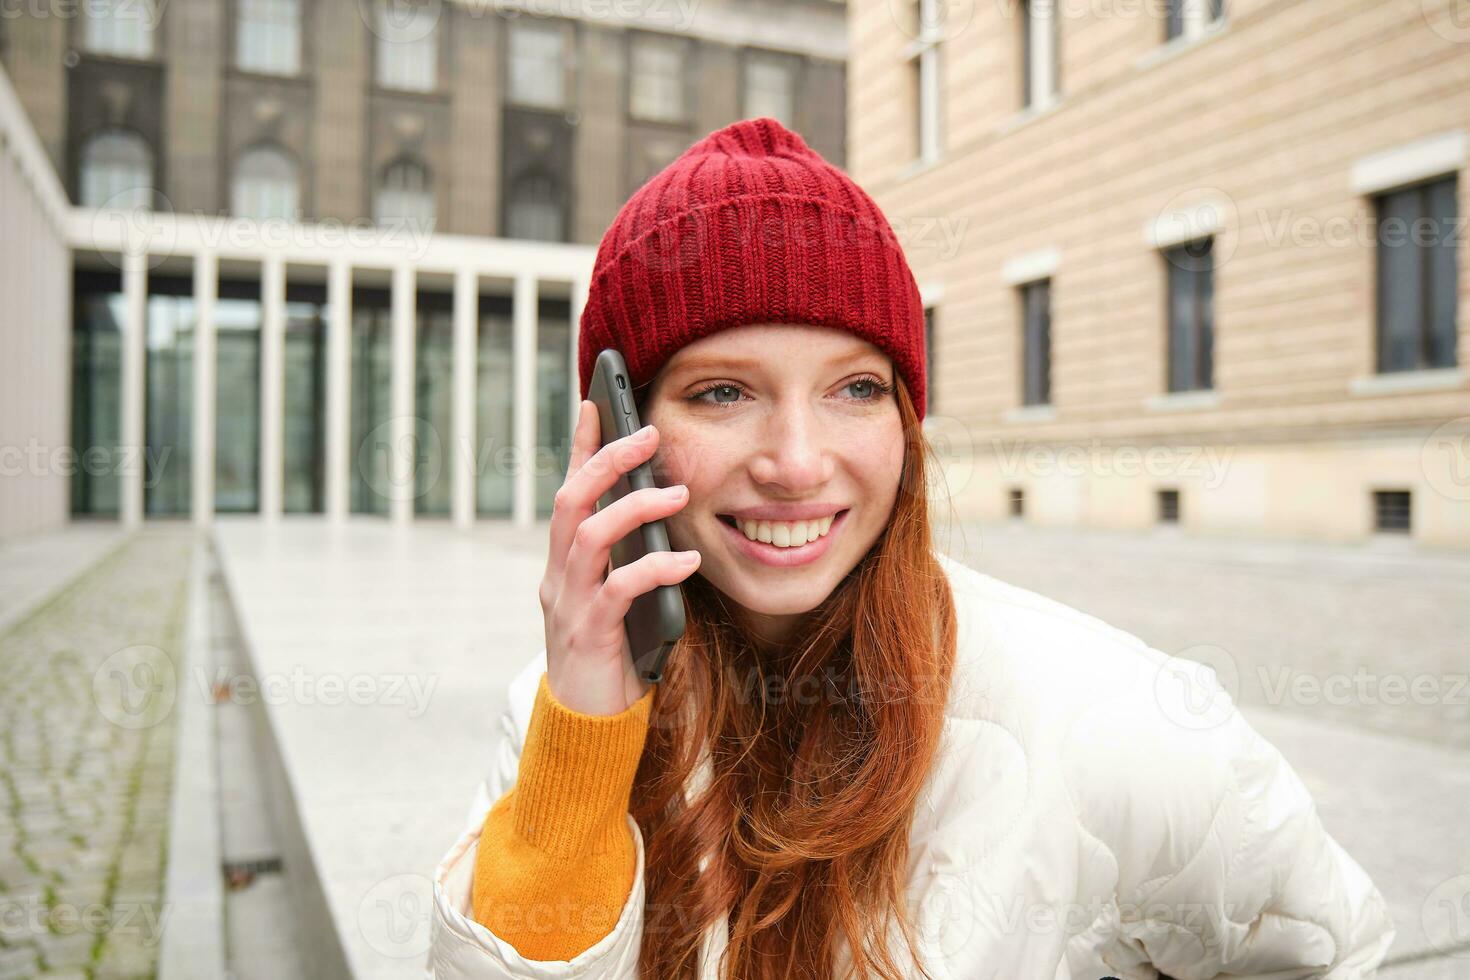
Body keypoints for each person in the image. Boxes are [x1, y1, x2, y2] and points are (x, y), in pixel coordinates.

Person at [427, 117, 1395, 980]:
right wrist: (585, 734)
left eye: (855, 387)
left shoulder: (1112, 717)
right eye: (723, 391)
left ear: (906, 419)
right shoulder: (564, 707)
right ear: (618, 433)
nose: (798, 464)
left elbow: (1331, 953)